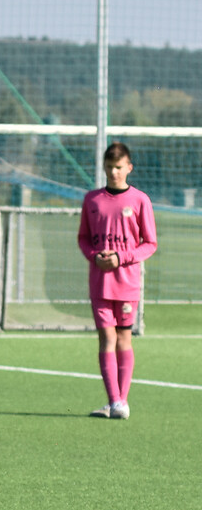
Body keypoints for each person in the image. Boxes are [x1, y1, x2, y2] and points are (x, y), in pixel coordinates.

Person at [77, 142, 158, 420]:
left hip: (127, 283)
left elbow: (150, 244)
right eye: (110, 167)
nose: (114, 172)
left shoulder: (139, 200)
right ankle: (115, 402)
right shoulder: (92, 200)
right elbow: (83, 238)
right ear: (103, 167)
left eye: (119, 167)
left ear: (129, 168)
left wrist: (121, 258)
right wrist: (93, 256)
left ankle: (120, 402)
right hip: (100, 283)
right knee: (106, 337)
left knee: (123, 338)